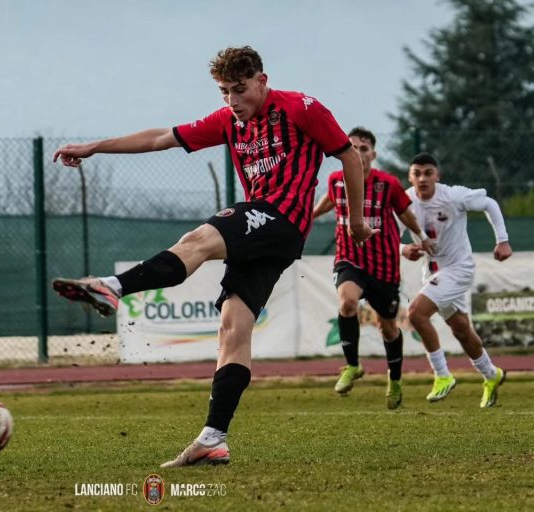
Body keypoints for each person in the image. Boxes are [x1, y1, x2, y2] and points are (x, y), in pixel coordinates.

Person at [51, 46, 377, 467]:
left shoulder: (302, 108)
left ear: (262, 80)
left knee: (198, 240)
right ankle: (213, 438)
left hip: (280, 220)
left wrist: (353, 220)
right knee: (233, 330)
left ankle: (113, 288)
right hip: (263, 233)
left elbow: (347, 155)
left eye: (240, 90)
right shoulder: (227, 121)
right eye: (224, 92)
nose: (232, 101)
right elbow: (158, 138)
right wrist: (95, 146)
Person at [312, 127, 433, 409]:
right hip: (349, 259)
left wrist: (423, 239)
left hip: (384, 265)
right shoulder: (335, 180)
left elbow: (407, 215)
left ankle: (396, 379)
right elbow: (327, 202)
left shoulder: (387, 184)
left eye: (363, 148)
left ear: (373, 154)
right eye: (352, 147)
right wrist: (304, 218)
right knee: (347, 303)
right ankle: (352, 365)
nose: (358, 153)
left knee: (388, 328)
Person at [403, 152, 512, 408]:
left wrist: (503, 240)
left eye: (428, 173)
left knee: (416, 314)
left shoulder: (452, 195)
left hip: (458, 269)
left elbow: (490, 204)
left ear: (437, 176)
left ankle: (442, 375)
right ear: (410, 177)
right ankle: (491, 374)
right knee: (461, 329)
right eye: (416, 174)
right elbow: (389, 236)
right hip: (431, 272)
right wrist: (403, 249)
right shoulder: (404, 202)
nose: (422, 179)